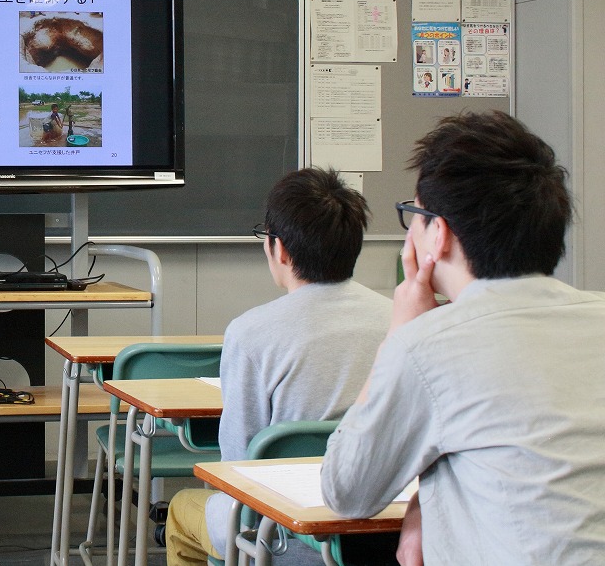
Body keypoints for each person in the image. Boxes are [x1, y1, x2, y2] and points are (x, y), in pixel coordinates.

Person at [322, 110, 605, 565]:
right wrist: (424, 506)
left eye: (413, 215)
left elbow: (346, 491)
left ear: (440, 234)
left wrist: (399, 333)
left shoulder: (428, 346)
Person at [166, 168, 392, 566]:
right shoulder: (399, 319)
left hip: (284, 537)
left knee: (183, 508)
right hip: (387, 533)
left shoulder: (251, 333)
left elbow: (237, 464)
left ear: (280, 249)